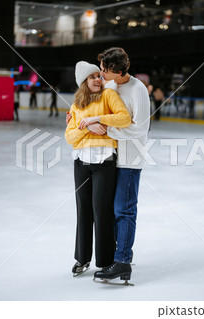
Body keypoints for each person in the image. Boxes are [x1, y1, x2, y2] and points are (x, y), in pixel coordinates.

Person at [65, 61, 131, 277]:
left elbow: (124, 117)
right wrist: (88, 126)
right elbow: (70, 137)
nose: (97, 79)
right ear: (84, 81)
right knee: (83, 211)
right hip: (81, 163)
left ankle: (105, 261)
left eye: (98, 76)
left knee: (102, 212)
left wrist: (96, 119)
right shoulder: (77, 105)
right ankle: (82, 259)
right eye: (92, 77)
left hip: (104, 163)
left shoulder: (108, 96)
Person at [93, 47, 151, 282]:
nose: (101, 73)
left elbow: (140, 128)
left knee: (124, 210)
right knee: (110, 211)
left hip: (130, 160)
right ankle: (121, 253)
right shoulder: (110, 86)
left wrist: (110, 130)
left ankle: (123, 262)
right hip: (110, 157)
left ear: (117, 71)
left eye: (104, 70)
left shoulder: (138, 90)